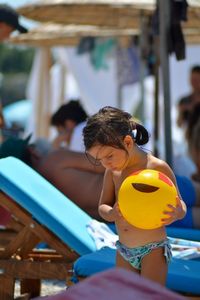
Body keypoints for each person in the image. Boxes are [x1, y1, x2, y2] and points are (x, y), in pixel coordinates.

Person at [83, 106, 187, 285]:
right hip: (124, 249)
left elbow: (181, 204)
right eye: (99, 160)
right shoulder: (113, 172)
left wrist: (177, 213)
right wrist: (111, 213)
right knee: (125, 294)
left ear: (128, 142)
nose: (106, 164)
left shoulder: (156, 168)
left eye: (109, 156)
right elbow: (103, 206)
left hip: (153, 248)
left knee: (151, 294)